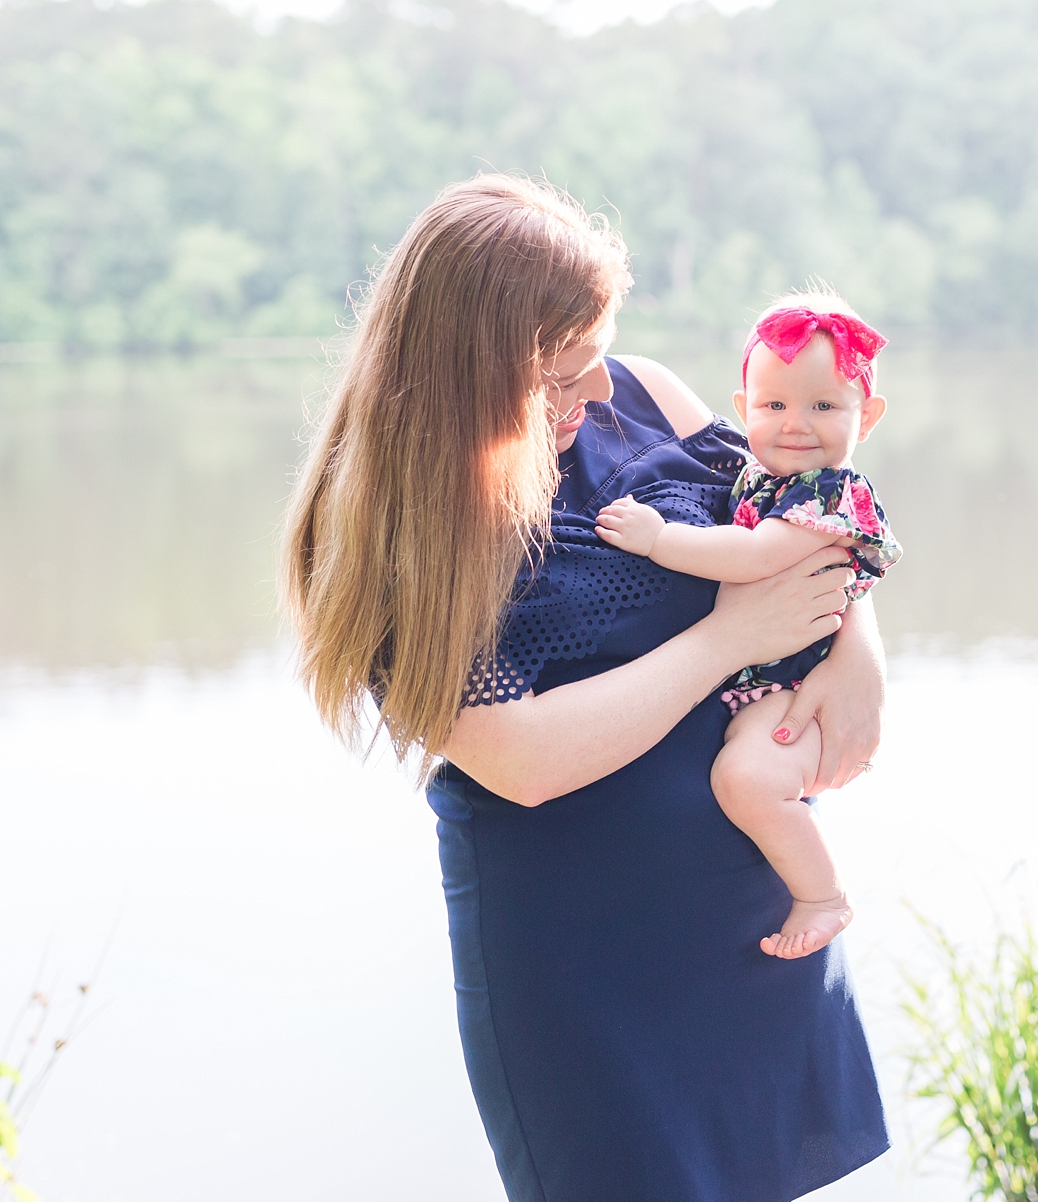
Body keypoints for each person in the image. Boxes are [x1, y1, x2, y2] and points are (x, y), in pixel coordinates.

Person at [278, 174, 889, 1202]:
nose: (598, 393)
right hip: (586, 965)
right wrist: (730, 637)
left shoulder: (645, 398)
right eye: (563, 376)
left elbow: (811, 518)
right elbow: (522, 760)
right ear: (470, 383)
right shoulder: (398, 530)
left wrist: (859, 643)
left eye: (598, 357)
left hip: (754, 911)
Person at [596, 291, 901, 961]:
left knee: (748, 777)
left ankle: (824, 895)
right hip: (768, 679)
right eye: (774, 405)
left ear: (866, 417)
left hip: (793, 691)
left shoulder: (828, 492)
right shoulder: (759, 476)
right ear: (743, 410)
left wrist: (657, 538)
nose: (796, 424)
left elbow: (756, 556)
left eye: (824, 406)